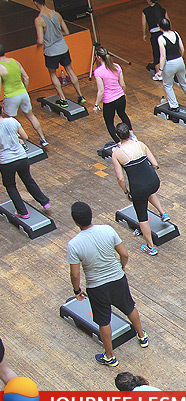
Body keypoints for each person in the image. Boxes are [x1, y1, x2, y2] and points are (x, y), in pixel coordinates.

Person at [67, 201, 149, 367]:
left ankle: (110, 356)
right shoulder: (107, 230)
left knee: (103, 321)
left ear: (75, 221)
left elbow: (75, 274)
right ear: (91, 214)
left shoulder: (74, 245)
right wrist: (122, 266)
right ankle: (142, 336)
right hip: (118, 279)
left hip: (96, 287)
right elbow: (124, 254)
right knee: (129, 307)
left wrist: (77, 290)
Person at [111, 123, 169, 256]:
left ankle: (150, 247)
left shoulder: (117, 154)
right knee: (148, 192)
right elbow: (155, 164)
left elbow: (120, 178)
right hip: (154, 182)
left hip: (138, 188)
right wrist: (150, 174)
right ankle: (163, 212)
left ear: (117, 136)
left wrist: (126, 191)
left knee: (142, 217)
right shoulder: (141, 145)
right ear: (130, 133)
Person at [0, 102, 50, 219]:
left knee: (10, 185)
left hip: (6, 161)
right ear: (2, 110)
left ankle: (23, 212)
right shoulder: (12, 121)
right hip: (22, 158)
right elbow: (25, 137)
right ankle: (44, 202)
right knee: (28, 179)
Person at [33, 0, 85, 107]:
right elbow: (66, 32)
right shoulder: (57, 14)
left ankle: (63, 99)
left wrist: (38, 46)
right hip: (63, 48)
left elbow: (40, 40)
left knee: (53, 74)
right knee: (70, 70)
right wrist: (57, 35)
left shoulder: (39, 20)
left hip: (51, 52)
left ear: (35, 3)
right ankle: (80, 96)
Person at [0, 43, 48, 147]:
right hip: (23, 94)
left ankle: (20, 143)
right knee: (31, 116)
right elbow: (26, 78)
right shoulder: (15, 62)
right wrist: (24, 90)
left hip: (11, 96)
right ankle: (43, 138)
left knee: (10, 121)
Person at [93, 46, 133, 143]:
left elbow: (101, 91)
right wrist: (123, 93)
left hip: (109, 101)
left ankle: (119, 143)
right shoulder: (116, 66)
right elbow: (122, 84)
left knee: (109, 123)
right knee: (122, 114)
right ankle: (132, 136)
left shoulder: (98, 72)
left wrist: (96, 105)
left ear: (98, 57)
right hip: (120, 97)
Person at [155, 18, 186, 112]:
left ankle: (174, 105)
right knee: (183, 81)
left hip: (170, 63)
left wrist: (160, 70)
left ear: (160, 28)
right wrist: (180, 58)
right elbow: (182, 49)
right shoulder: (176, 33)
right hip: (180, 61)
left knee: (167, 85)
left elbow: (163, 56)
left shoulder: (161, 38)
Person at [141, 0, 168, 80]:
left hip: (154, 34)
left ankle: (158, 73)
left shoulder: (145, 11)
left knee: (156, 52)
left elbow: (143, 24)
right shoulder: (162, 9)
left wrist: (144, 34)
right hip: (163, 33)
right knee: (164, 51)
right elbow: (168, 21)